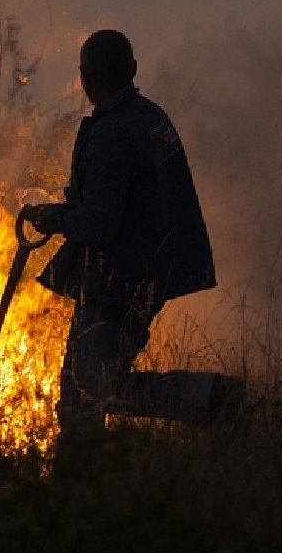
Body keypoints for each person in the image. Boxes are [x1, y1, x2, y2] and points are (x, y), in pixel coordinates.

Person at [24, 29, 217, 444]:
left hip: (117, 281)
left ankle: (208, 398)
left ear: (84, 78)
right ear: (133, 69)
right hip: (147, 272)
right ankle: (207, 398)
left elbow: (99, 222)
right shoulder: (151, 117)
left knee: (86, 395)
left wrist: (50, 217)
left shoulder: (112, 133)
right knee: (95, 388)